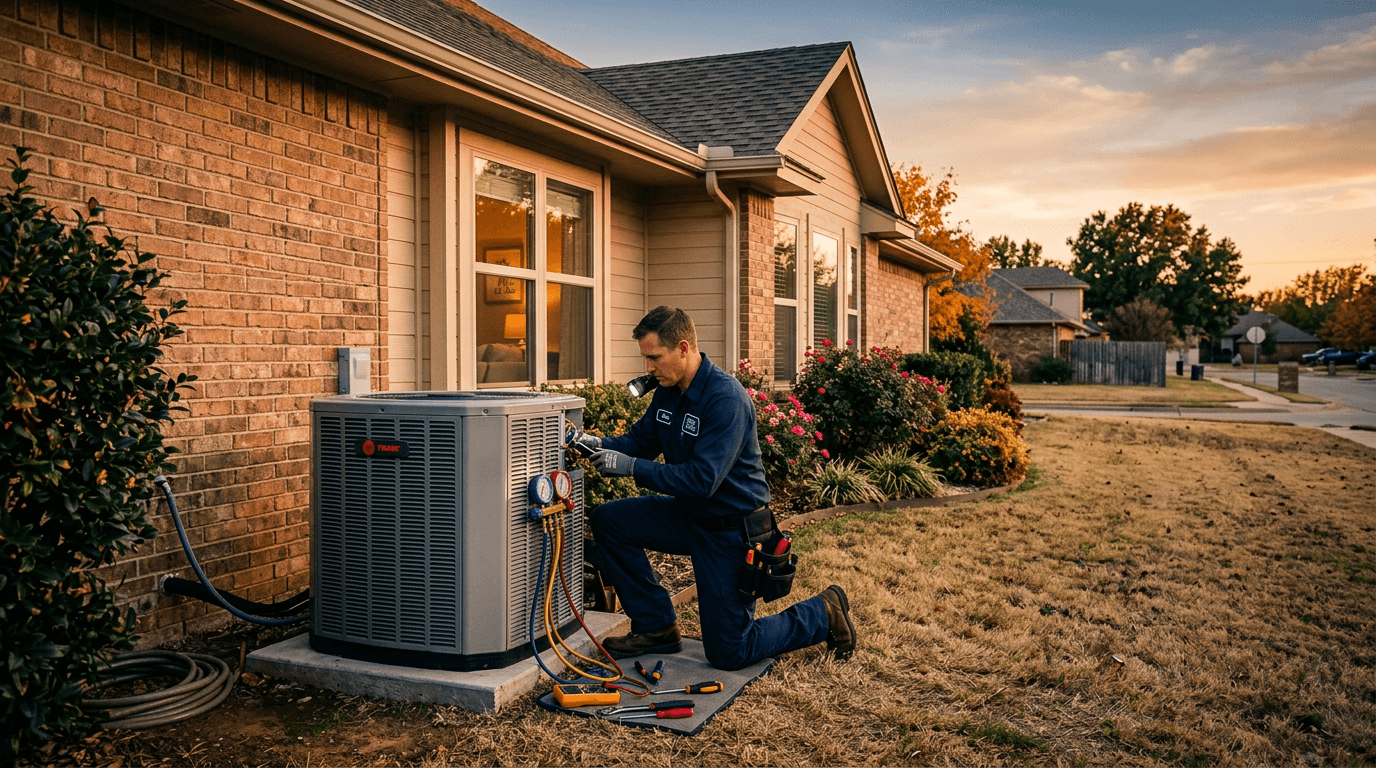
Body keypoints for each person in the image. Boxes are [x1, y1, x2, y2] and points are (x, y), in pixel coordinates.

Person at [574, 306, 855, 671]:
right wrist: (594, 444)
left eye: (655, 357)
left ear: (684, 348)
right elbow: (638, 443)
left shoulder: (725, 398)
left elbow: (702, 480)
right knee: (610, 520)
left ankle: (823, 612)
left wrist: (631, 468)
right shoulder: (668, 391)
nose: (648, 368)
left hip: (731, 529)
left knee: (729, 651)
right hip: (689, 515)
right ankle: (656, 626)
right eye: (646, 358)